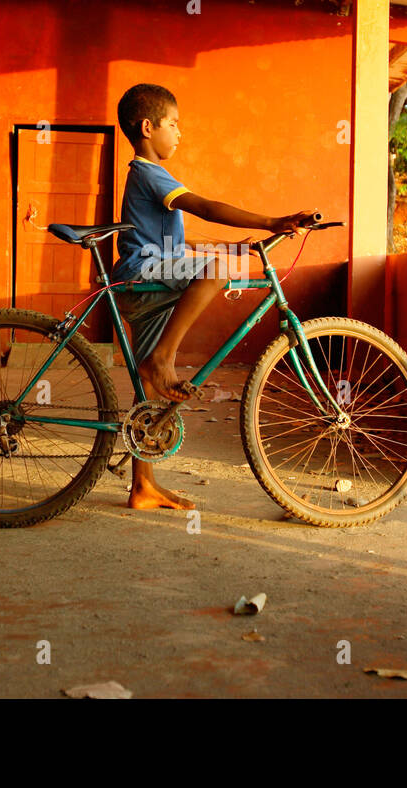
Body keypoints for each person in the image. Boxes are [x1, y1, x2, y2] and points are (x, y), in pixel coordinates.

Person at [111, 83, 313, 511]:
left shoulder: (145, 175)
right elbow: (203, 206)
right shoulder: (149, 172)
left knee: (147, 388)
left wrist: (235, 245)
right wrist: (271, 221)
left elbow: (178, 246)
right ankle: (164, 358)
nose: (179, 133)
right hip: (142, 275)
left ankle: (142, 486)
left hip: (147, 277)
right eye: (173, 124)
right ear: (148, 127)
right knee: (218, 270)